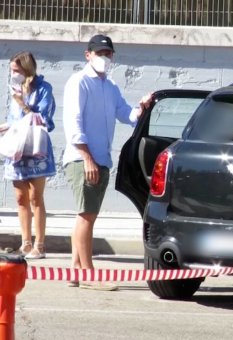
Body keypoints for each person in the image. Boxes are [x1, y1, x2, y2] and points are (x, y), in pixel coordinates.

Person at [62, 34, 153, 291]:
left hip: (100, 159)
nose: (104, 57)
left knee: (85, 216)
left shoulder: (110, 86)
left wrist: (142, 107)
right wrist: (87, 158)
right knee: (87, 216)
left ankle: (75, 271)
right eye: (99, 52)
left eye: (108, 53)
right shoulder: (78, 82)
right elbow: (73, 123)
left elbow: (126, 114)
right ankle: (89, 274)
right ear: (87, 54)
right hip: (83, 159)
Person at [1, 51, 56, 259]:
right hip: (17, 148)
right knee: (21, 198)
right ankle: (25, 242)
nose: (13, 74)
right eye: (11, 70)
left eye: (16, 70)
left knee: (36, 196)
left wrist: (22, 103)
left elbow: (43, 119)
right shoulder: (15, 89)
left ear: (26, 69)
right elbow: (15, 120)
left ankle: (39, 244)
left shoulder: (44, 89)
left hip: (35, 147)